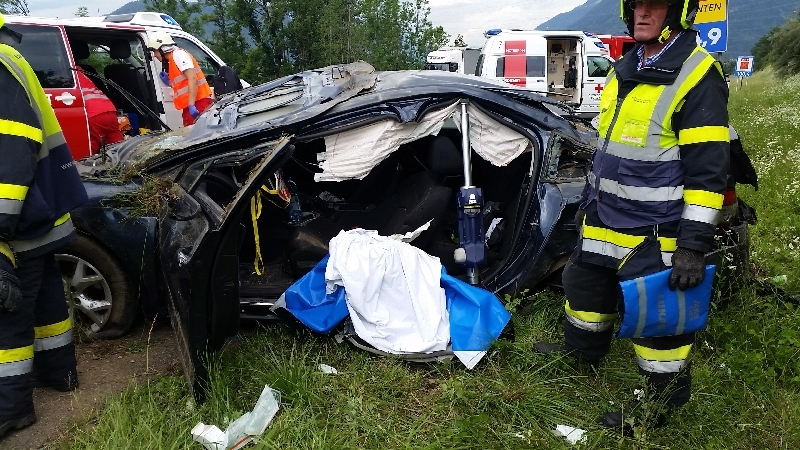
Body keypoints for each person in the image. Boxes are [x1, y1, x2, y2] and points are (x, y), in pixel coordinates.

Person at [535, 0, 729, 431]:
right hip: (604, 215)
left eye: (654, 5)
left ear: (678, 11)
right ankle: (581, 355)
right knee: (584, 288)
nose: (642, 13)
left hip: (655, 230)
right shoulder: (625, 66)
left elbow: (709, 171)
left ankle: (657, 409)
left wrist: (693, 245)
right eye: (636, 4)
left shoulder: (698, 74)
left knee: (660, 324)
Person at [0, 14, 89, 439]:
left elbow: (12, 146)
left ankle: (10, 407)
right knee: (47, 302)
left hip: (20, 219)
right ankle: (60, 373)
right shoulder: (10, 55)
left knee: (8, 313)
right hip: (41, 210)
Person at [146, 31, 213, 126]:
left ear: (162, 49)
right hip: (192, 105)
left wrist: (191, 105)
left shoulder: (178, 55)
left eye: (155, 51)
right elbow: (183, 83)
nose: (154, 55)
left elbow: (193, 78)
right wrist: (170, 83)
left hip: (198, 104)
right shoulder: (173, 59)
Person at [77, 70, 124, 153]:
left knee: (90, 152)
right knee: (117, 148)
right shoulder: (83, 74)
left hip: (94, 114)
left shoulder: (70, 72)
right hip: (110, 110)